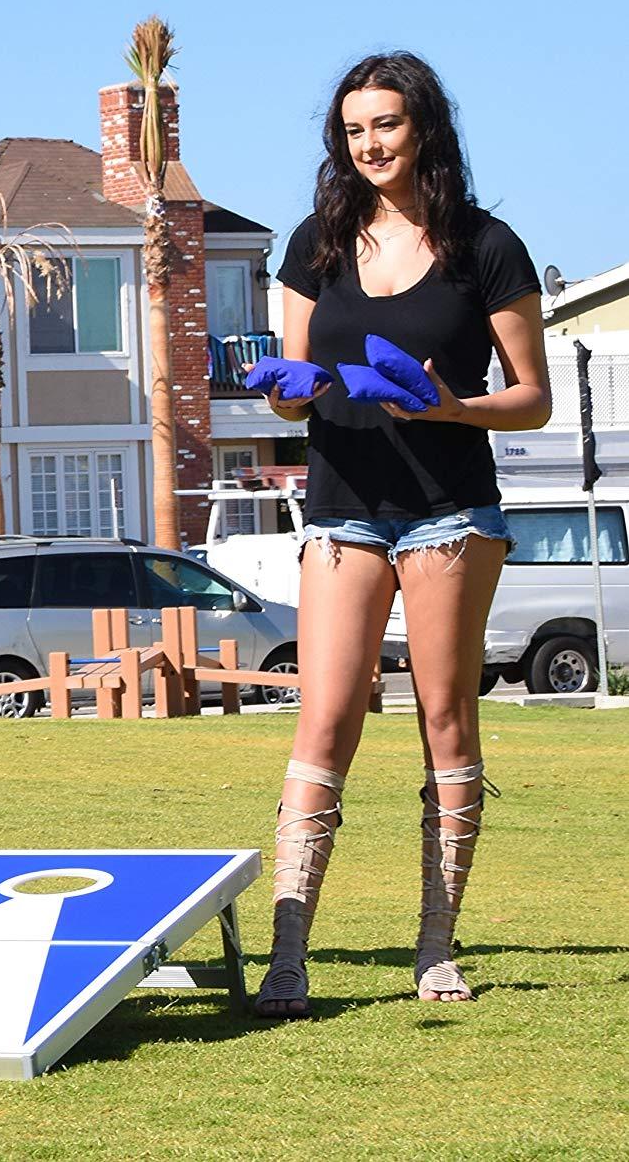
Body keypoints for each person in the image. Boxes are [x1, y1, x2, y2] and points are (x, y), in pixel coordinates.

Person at [253, 52, 550, 1018]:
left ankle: (435, 947)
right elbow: (295, 390)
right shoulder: (317, 243)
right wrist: (284, 392)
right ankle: (287, 956)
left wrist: (451, 406)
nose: (369, 144)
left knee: (444, 720)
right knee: (325, 721)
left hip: (450, 513)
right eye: (353, 130)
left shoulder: (486, 246)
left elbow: (532, 400)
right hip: (341, 510)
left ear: (422, 127)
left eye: (385, 124)